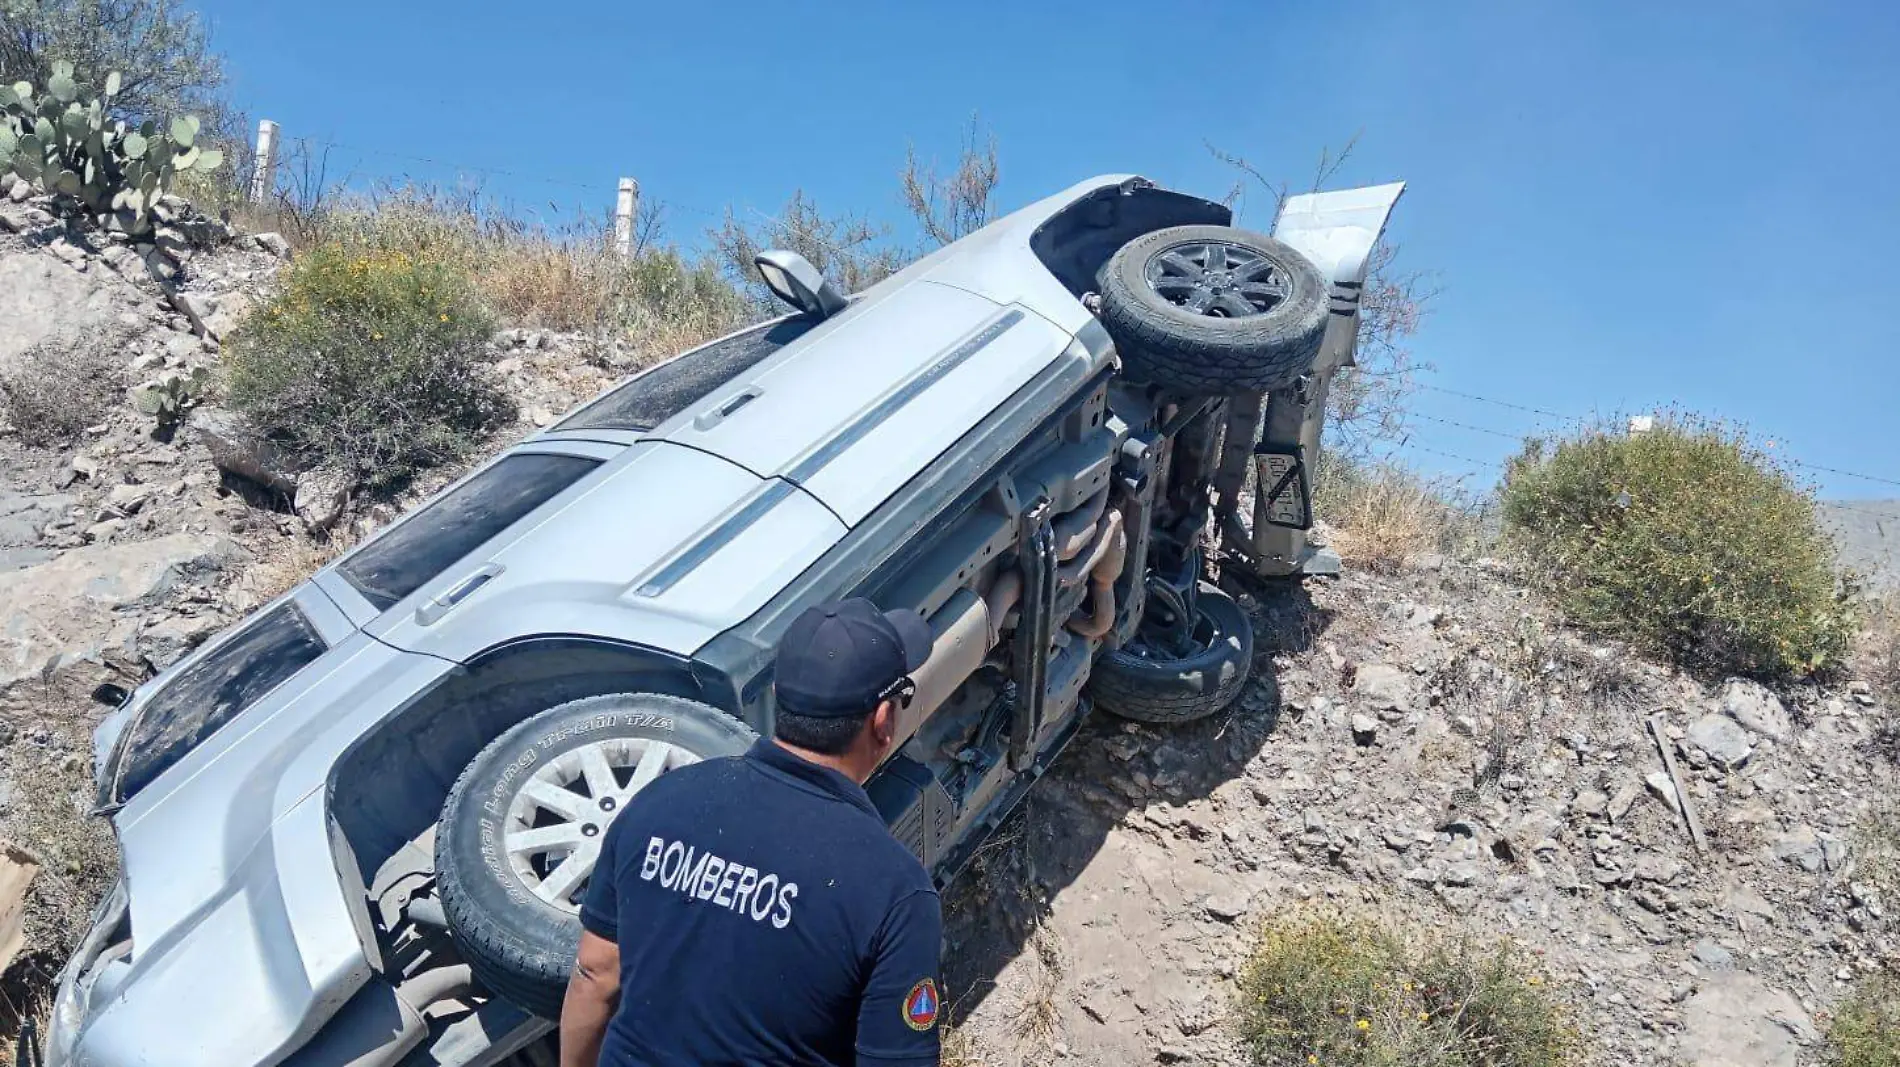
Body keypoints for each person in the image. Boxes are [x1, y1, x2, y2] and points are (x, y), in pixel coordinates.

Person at [559, 597, 945, 1067]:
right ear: (883, 721)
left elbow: (597, 974)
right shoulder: (894, 892)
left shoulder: (660, 801)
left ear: (783, 697)